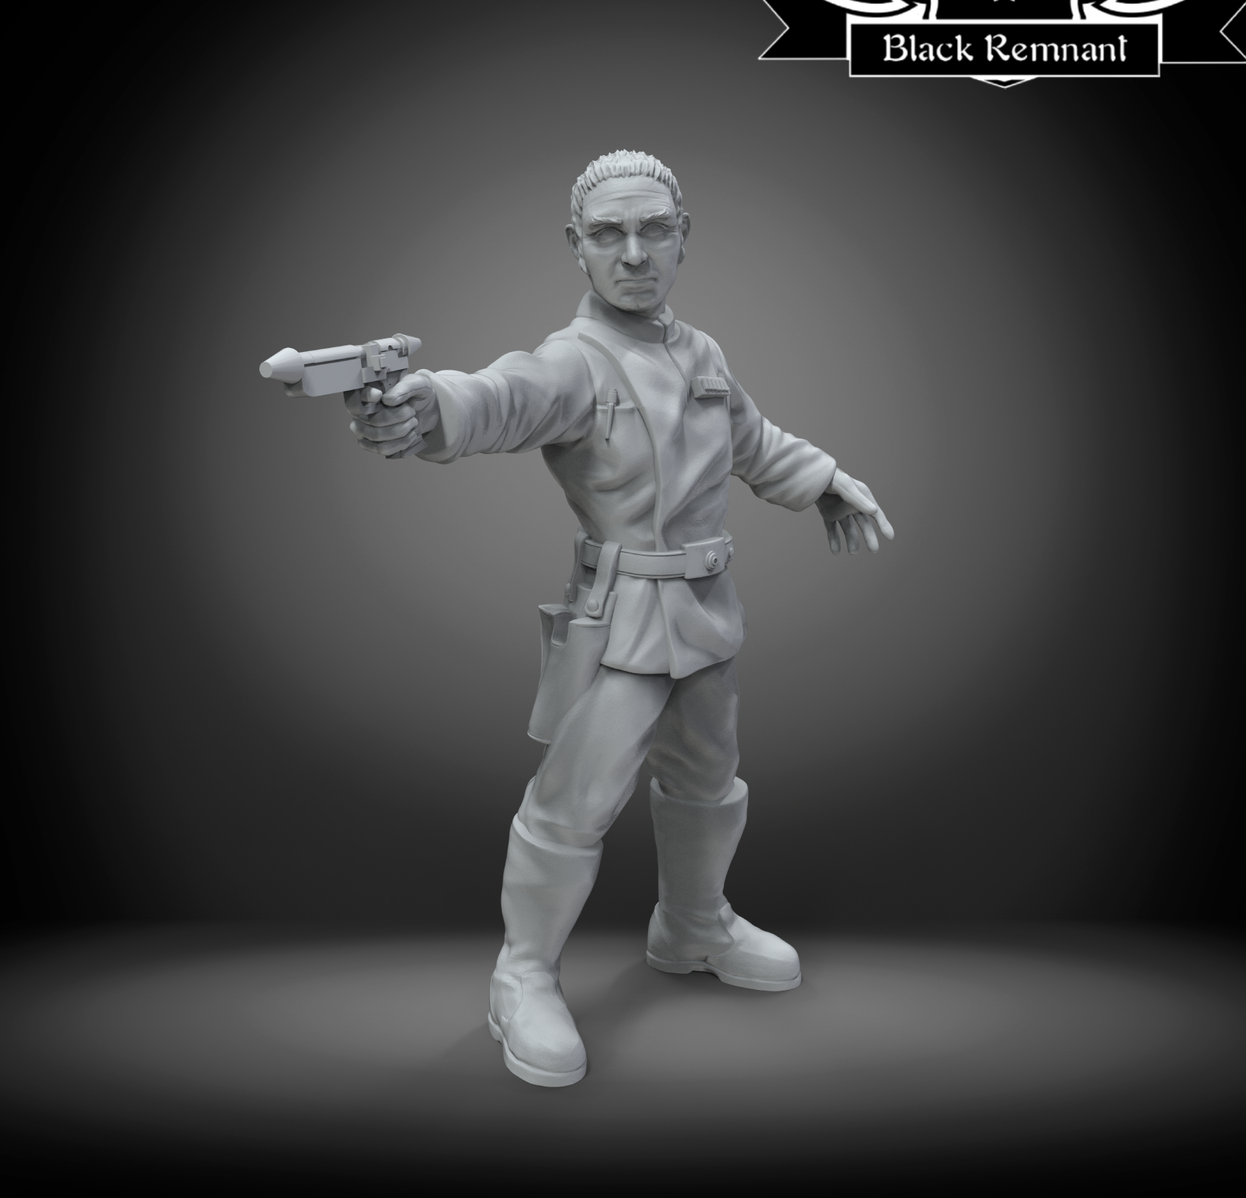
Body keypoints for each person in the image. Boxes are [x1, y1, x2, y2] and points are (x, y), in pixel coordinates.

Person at [347, 150, 893, 1087]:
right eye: (609, 234)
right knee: (574, 804)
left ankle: (693, 924)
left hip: (706, 614)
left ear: (683, 238)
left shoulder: (702, 351)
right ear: (577, 245)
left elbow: (751, 439)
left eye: (654, 230)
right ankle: (522, 974)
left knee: (708, 782)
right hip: (622, 621)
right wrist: (426, 407)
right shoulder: (572, 359)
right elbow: (498, 396)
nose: (634, 253)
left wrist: (824, 480)